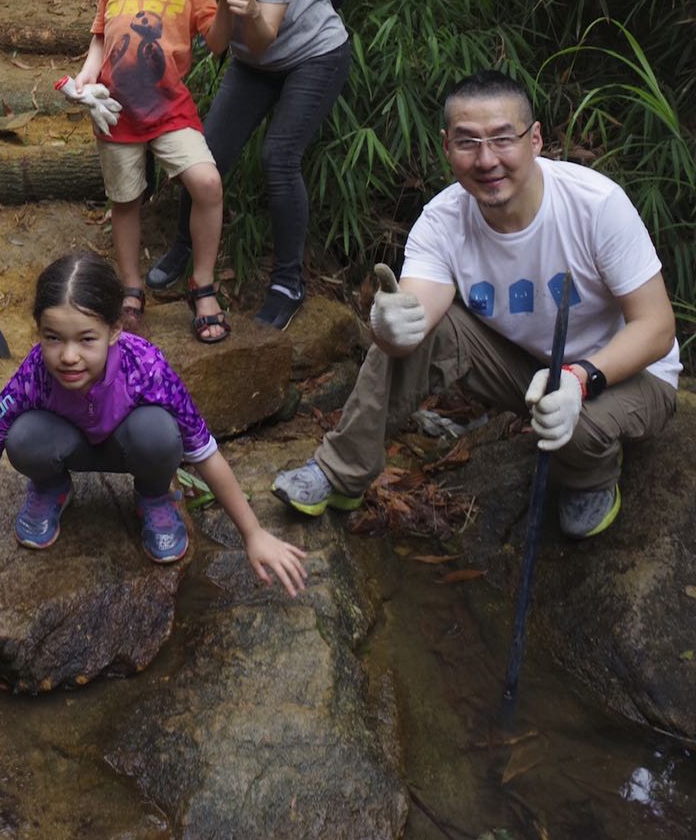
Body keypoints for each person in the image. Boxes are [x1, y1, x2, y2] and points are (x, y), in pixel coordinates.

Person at [273, 71, 680, 539]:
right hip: (527, 368)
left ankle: (592, 475)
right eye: (468, 142)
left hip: (627, 373)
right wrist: (391, 324)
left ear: (535, 139)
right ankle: (340, 471)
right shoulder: (442, 221)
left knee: (579, 425)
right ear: (447, 146)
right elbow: (418, 318)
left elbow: (656, 326)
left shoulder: (595, 205)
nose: (487, 160)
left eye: (503, 139)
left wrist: (579, 378)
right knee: (414, 330)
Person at [0, 252, 309, 602]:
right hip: (69, 446)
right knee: (22, 437)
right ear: (39, 332)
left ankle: (153, 496)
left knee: (161, 433)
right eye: (53, 338)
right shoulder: (33, 374)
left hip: (131, 448)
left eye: (86, 339)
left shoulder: (146, 367)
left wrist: (253, 533)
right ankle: (51, 487)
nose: (68, 356)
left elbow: (205, 452)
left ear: (115, 330)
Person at [162, 0, 351, 330]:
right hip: (251, 62)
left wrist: (246, 7)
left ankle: (288, 281)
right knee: (205, 156)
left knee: (279, 157)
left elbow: (265, 36)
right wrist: (228, 8)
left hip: (314, 53)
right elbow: (220, 44)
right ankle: (184, 246)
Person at [65, 0, 224, 342]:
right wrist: (86, 78)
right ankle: (131, 286)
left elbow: (217, 43)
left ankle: (203, 283)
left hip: (170, 107)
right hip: (116, 109)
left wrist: (231, 3)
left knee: (207, 183)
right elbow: (100, 36)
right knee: (125, 198)